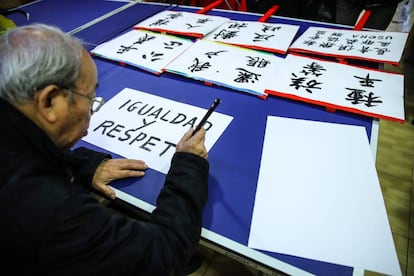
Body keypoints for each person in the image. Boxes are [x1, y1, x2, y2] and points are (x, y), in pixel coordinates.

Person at [0, 23, 209, 275]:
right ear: (50, 101)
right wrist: (189, 164)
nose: (91, 110)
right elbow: (165, 253)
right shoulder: (55, 213)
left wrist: (82, 166)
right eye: (90, 99)